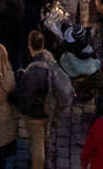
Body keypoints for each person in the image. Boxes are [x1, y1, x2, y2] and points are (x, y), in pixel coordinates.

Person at [17, 29, 72, 169]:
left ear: (30, 46)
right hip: (50, 107)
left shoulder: (33, 70)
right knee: (46, 140)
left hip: (38, 112)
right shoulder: (49, 59)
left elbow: (27, 97)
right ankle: (48, 161)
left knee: (37, 143)